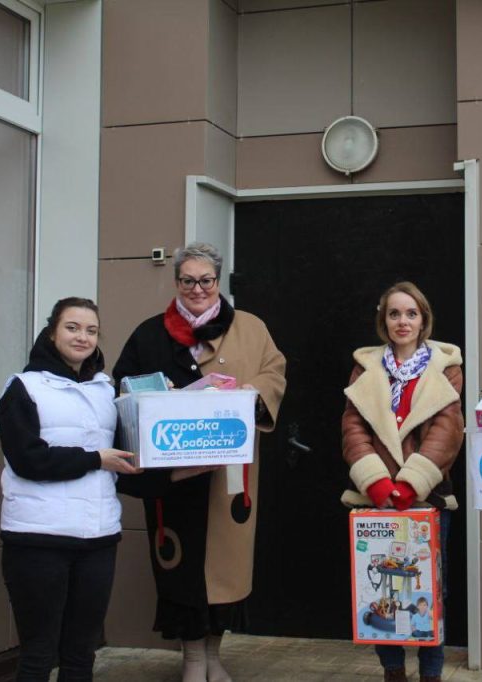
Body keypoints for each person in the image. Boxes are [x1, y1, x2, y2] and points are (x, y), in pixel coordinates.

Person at [112, 242, 286, 682]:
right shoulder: (149, 334)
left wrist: (249, 394)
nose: (197, 289)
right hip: (173, 477)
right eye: (188, 281)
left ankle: (213, 655)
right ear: (176, 282)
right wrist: (158, 396)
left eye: (206, 280)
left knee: (225, 571)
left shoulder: (251, 328)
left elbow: (274, 372)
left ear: (218, 281)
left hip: (228, 477)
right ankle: (191, 658)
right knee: (181, 566)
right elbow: (124, 385)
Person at [0, 297, 140, 681]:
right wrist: (95, 459)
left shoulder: (106, 391)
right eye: (72, 327)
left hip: (98, 537)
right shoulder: (22, 388)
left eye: (91, 330)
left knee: (80, 654)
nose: (82, 337)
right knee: (39, 654)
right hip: (37, 539)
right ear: (52, 332)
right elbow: (28, 460)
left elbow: (124, 454)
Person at [341, 281, 464, 682]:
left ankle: (431, 673)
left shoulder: (446, 367)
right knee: (382, 592)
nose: (402, 321)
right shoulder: (366, 367)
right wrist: (377, 483)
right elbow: (353, 427)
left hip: (426, 500)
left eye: (411, 313)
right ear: (384, 320)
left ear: (423, 319)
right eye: (394, 313)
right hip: (376, 500)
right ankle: (392, 671)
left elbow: (447, 431)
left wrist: (411, 485)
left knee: (428, 590)